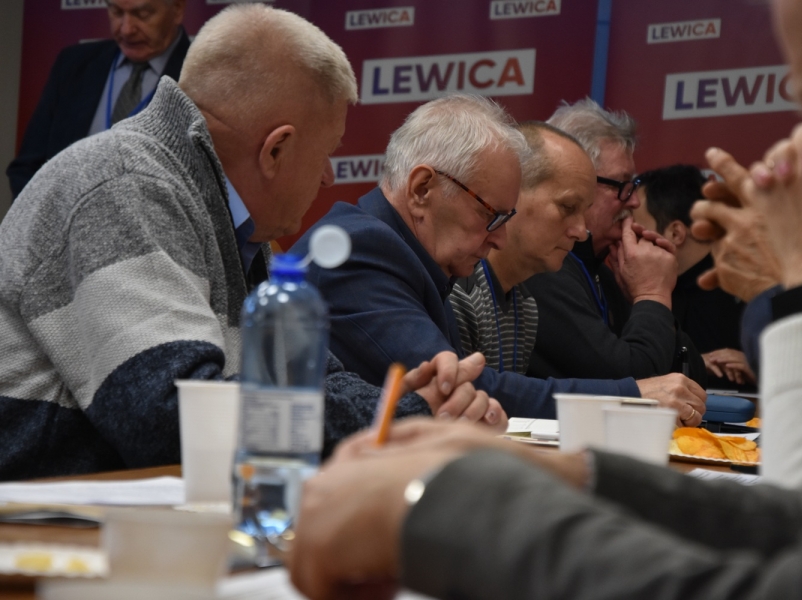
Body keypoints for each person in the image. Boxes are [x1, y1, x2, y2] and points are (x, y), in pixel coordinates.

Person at [288, 0, 802, 596]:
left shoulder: (514, 285)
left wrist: (456, 498)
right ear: (424, 189)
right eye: (495, 213)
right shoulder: (372, 250)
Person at [0, 4, 502, 482]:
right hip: (34, 526)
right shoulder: (123, 186)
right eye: (326, 152)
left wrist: (402, 405)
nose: (328, 176)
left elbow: (312, 381)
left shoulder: (229, 219)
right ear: (275, 150)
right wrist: (398, 415)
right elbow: (176, 418)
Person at [294, 96, 706, 420]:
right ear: (422, 189)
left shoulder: (419, 261)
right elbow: (456, 391)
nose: (500, 238)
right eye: (490, 215)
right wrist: (629, 395)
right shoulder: (362, 250)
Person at [526, 100, 707, 388]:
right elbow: (630, 385)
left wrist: (646, 300)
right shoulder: (544, 268)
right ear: (576, 182)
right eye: (621, 185)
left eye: (633, 186)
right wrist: (652, 295)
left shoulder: (607, 272)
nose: (634, 202)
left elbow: (692, 374)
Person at [448, 121, 594, 376]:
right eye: (568, 207)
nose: (581, 232)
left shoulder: (525, 307)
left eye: (585, 212)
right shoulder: (459, 294)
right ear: (512, 193)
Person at [6, 0, 191, 199]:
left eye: (142, 14)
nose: (126, 30)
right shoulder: (73, 64)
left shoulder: (201, 79)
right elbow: (26, 168)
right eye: (116, 12)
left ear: (177, 9)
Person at [632, 164, 753, 389]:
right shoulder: (636, 289)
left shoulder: (753, 288)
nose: (626, 240)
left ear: (675, 233)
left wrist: (761, 367)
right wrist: (693, 363)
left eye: (636, 230)